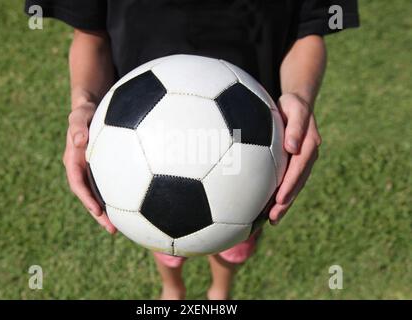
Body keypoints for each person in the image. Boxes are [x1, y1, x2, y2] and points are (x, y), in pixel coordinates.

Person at [25, 0, 359, 300]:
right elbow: (89, 31)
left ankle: (220, 293)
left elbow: (310, 29)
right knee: (159, 233)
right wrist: (83, 103)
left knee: (234, 238)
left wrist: (299, 97)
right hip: (139, 138)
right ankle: (173, 289)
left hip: (250, 144)